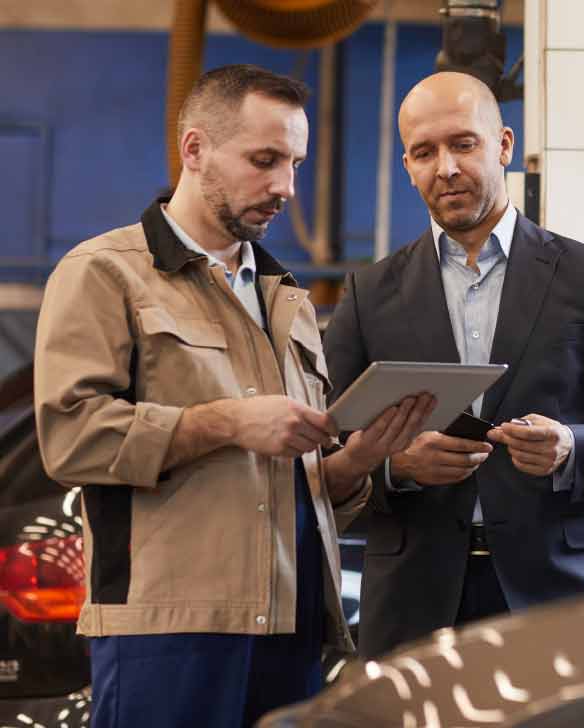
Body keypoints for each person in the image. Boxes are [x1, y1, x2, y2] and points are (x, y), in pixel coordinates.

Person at [33, 64, 434, 728]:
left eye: (296, 164)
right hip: (168, 631)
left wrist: (361, 459)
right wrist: (226, 422)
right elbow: (71, 436)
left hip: (292, 626)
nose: (285, 187)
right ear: (194, 150)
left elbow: (297, 483)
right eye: (264, 160)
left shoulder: (286, 300)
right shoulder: (105, 273)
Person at [323, 71, 584, 658]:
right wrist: (396, 465)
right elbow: (325, 450)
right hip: (413, 601)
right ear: (407, 167)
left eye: (463, 144)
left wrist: (572, 446)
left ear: (504, 146)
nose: (445, 168)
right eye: (424, 152)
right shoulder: (369, 294)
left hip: (555, 596)